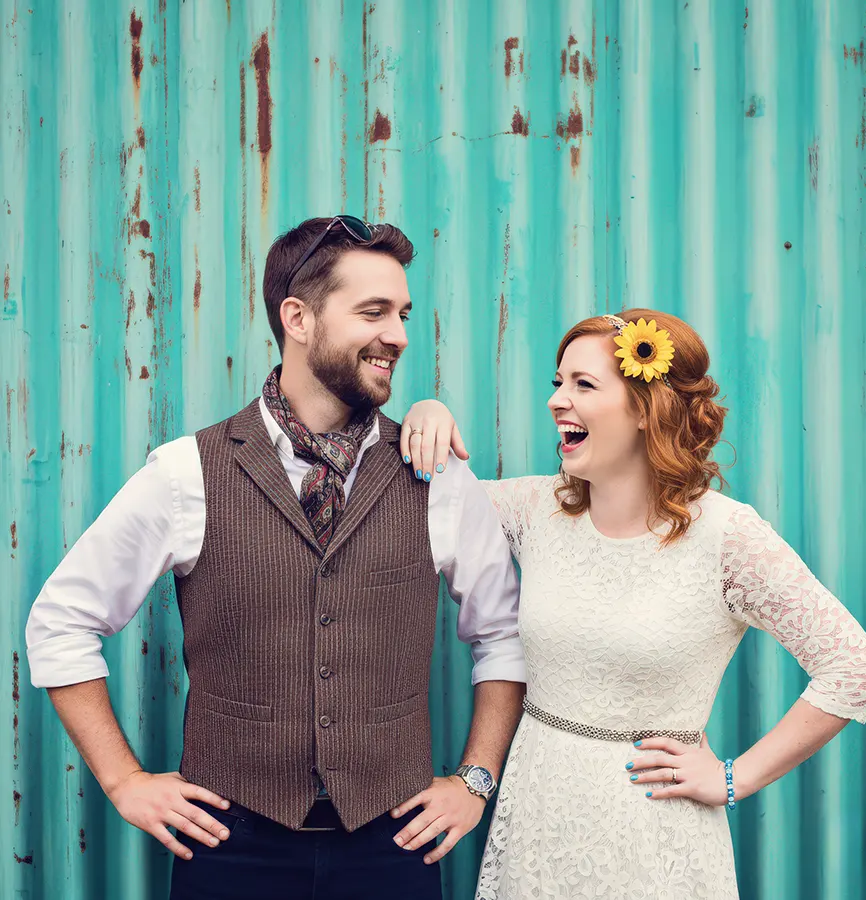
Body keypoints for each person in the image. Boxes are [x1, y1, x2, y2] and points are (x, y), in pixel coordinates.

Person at [25, 216, 527, 900]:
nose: (400, 335)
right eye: (374, 312)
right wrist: (124, 780)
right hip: (230, 846)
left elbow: (502, 636)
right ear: (298, 316)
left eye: (403, 313)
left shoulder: (434, 473)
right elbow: (60, 622)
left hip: (394, 845)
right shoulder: (186, 473)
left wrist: (475, 781)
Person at [401, 309, 866, 898]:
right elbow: (431, 503)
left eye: (583, 384)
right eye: (557, 382)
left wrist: (735, 778)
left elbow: (855, 668)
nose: (558, 400)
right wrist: (428, 415)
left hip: (656, 832)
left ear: (644, 408)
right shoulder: (536, 509)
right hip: (537, 817)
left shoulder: (728, 537)